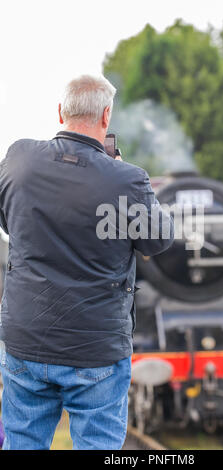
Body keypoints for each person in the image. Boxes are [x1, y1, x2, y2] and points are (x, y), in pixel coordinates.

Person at [0, 74, 174, 450]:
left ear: (61, 111)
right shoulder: (127, 180)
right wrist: (127, 178)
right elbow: (158, 240)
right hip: (94, 349)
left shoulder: (18, 158)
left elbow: (7, 219)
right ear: (106, 116)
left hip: (24, 341)